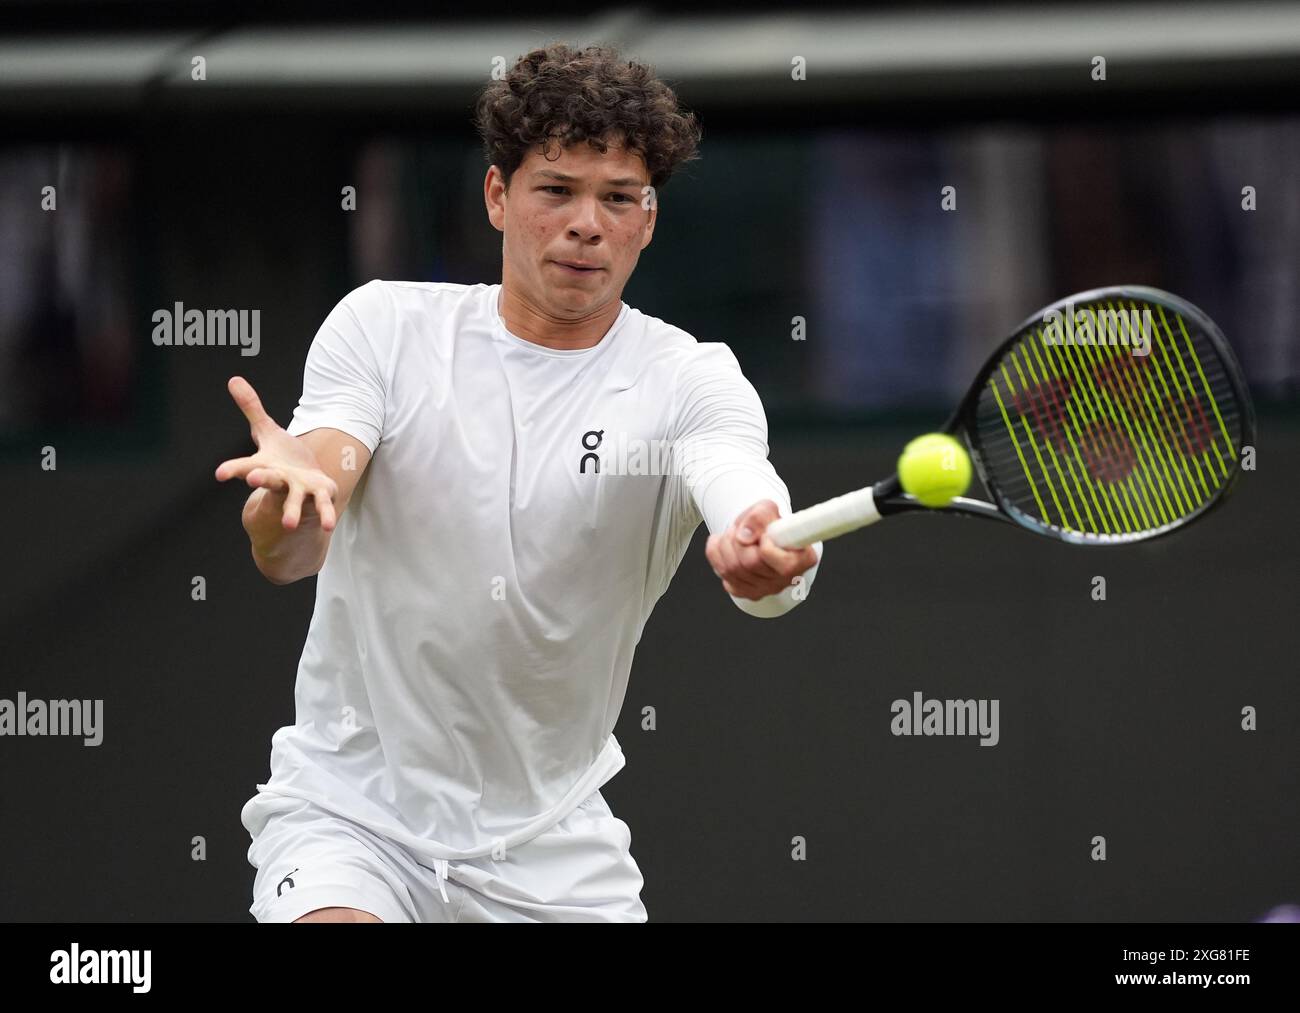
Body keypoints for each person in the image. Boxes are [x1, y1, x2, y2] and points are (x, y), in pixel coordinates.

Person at [217, 43, 823, 923]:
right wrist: (288, 498)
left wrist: (764, 555)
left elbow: (746, 498)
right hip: (351, 813)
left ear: (647, 219)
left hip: (549, 843)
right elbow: (299, 531)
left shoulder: (693, 381)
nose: (588, 223)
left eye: (618, 198)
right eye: (557, 191)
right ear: (499, 197)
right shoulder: (384, 327)